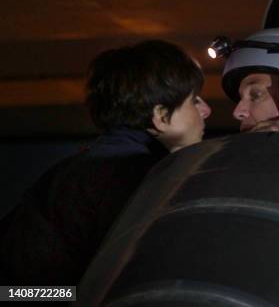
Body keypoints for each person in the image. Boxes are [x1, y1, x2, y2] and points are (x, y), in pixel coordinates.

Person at [0, 40, 211, 286]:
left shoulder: (84, 166)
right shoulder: (131, 175)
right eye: (195, 100)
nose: (205, 110)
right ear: (161, 117)